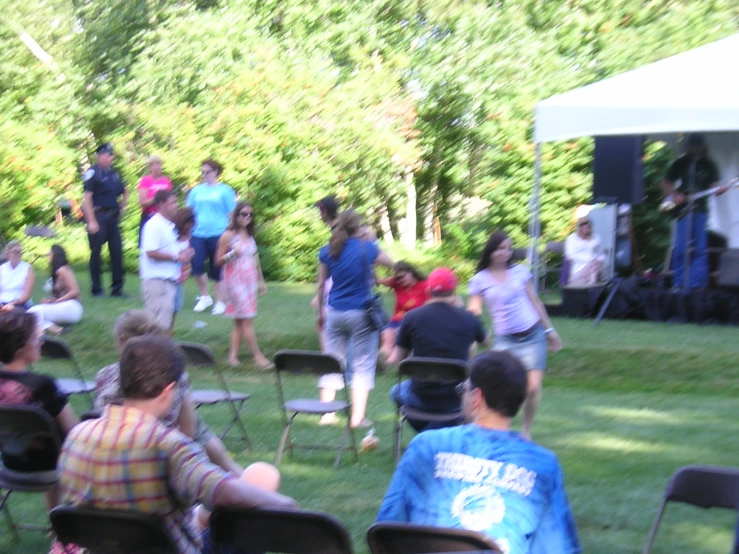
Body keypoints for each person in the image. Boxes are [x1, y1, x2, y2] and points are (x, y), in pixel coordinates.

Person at [59, 334, 297, 554]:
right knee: (246, 521)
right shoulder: (168, 446)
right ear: (169, 389)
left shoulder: (76, 436)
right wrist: (286, 504)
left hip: (104, 547)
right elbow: (228, 493)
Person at [377, 350, 581, 554]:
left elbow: (387, 530)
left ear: (477, 398)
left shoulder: (425, 445)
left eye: (463, 389)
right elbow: (559, 547)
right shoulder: (542, 464)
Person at [94, 310, 242, 475]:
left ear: (121, 340)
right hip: (162, 450)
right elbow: (188, 433)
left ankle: (234, 473)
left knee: (195, 424)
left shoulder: (104, 376)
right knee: (196, 425)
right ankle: (238, 476)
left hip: (111, 448)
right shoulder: (173, 376)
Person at [467, 231, 562, 440]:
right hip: (505, 339)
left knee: (533, 388)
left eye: (508, 249)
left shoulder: (520, 271)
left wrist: (549, 331)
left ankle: (526, 431)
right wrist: (472, 337)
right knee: (493, 384)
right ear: (491, 251)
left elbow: (535, 301)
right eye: (500, 248)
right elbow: (474, 311)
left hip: (533, 335)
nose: (505, 253)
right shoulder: (479, 280)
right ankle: (485, 426)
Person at [316, 209, 393, 428]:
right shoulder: (366, 248)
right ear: (358, 227)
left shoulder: (328, 250)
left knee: (332, 361)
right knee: (362, 365)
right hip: (361, 312)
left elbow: (321, 284)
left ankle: (327, 414)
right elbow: (391, 263)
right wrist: (369, 239)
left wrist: (319, 313)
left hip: (334, 312)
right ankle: (357, 418)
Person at [387, 267, 487, 431]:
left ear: (428, 290)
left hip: (421, 395)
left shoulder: (412, 317)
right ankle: (439, 431)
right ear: (454, 291)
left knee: (396, 391)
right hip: (457, 399)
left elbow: (398, 359)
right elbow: (485, 341)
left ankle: (427, 434)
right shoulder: (469, 318)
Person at [0, 309, 79, 510]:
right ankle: (65, 528)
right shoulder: (42, 385)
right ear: (20, 348)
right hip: (51, 468)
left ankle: (56, 525)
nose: (42, 342)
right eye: (36, 338)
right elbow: (74, 431)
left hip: (10, 464)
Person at [661, 133, 725, 290]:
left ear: (702, 146)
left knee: (700, 249)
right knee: (680, 249)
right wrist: (675, 195)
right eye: (691, 145)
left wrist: (719, 189)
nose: (693, 148)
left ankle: (697, 286)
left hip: (700, 210)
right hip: (683, 211)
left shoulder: (709, 165)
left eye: (696, 145)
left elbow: (715, 186)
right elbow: (665, 182)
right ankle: (679, 284)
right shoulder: (681, 163)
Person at [216, 202, 271, 368]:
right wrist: (233, 253)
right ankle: (257, 356)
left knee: (240, 321)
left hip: (249, 281)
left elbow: (255, 260)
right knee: (247, 319)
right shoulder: (228, 235)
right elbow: (218, 261)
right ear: (236, 215)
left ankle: (232, 357)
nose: (247, 217)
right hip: (234, 280)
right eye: (243, 214)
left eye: (250, 215)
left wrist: (260, 281)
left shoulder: (250, 235)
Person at [186, 158, 237, 315]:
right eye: (202, 172)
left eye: (207, 172)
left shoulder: (225, 191)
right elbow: (189, 212)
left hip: (218, 233)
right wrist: (186, 231)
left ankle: (220, 301)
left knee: (217, 267)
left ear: (216, 172)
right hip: (197, 232)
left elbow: (232, 213)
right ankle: (204, 296)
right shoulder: (196, 191)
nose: (204, 175)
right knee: (197, 264)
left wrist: (231, 233)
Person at [140, 190, 194, 331]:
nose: (176, 206)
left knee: (165, 325)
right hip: (157, 281)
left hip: (170, 280)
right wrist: (177, 257)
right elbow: (150, 252)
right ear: (161, 204)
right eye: (172, 203)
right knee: (158, 326)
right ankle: (149, 352)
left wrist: (186, 253)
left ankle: (159, 351)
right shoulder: (153, 225)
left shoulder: (170, 226)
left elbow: (173, 250)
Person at [82, 142, 128, 297]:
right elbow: (87, 198)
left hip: (112, 217)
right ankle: (97, 289)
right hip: (98, 215)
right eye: (107, 154)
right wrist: (91, 221)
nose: (110, 157)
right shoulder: (93, 173)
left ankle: (117, 288)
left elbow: (125, 190)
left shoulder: (114, 174)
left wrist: (122, 207)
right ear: (100, 155)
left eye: (111, 155)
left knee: (116, 252)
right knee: (96, 253)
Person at [377, 261, 429, 360]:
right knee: (387, 333)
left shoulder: (425, 286)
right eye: (397, 278)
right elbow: (379, 281)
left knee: (399, 335)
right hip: (396, 320)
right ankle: (380, 360)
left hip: (414, 321)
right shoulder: (397, 283)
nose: (399, 280)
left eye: (402, 277)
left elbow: (430, 306)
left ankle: (390, 362)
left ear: (411, 273)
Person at [28, 245, 83, 336]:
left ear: (55, 255)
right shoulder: (59, 270)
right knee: (35, 313)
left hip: (73, 308)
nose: (47, 256)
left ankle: (44, 331)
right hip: (66, 306)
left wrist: (56, 301)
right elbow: (62, 294)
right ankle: (55, 329)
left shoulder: (62, 270)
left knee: (33, 312)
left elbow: (75, 291)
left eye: (49, 254)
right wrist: (51, 300)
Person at [138, 154, 173, 244]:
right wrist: (157, 198)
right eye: (153, 164)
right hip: (150, 215)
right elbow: (143, 202)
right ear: (150, 167)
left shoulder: (166, 181)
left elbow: (170, 199)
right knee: (149, 243)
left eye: (158, 164)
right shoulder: (145, 180)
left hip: (165, 217)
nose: (157, 167)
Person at [171, 207, 196, 332]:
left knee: (176, 307)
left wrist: (190, 255)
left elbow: (186, 257)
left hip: (179, 276)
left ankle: (170, 332)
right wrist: (182, 253)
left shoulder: (188, 237)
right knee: (166, 308)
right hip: (168, 275)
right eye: (188, 225)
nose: (189, 228)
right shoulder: (170, 235)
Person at [564, 212, 605, 286]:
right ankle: (592, 286)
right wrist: (588, 259)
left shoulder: (596, 238)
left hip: (595, 266)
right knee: (593, 266)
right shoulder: (572, 238)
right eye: (583, 224)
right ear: (579, 227)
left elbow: (600, 254)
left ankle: (591, 286)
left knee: (594, 265)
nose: (586, 226)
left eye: (588, 224)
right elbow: (569, 255)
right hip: (579, 268)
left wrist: (598, 259)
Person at [0, 240, 35, 311]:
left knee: (13, 313)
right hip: (2, 302)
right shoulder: (2, 268)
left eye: (19, 252)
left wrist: (12, 304)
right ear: (8, 253)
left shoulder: (27, 268)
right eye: (14, 252)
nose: (16, 255)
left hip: (20, 303)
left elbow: (27, 295)